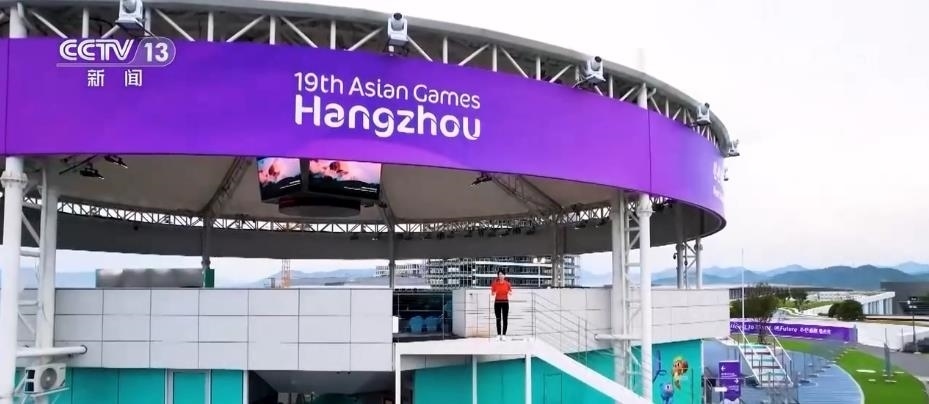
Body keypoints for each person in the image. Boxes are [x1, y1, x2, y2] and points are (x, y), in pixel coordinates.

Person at [490, 270, 512, 340]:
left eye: (502, 274)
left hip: (505, 302)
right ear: (498, 276)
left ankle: (504, 335)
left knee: (505, 319)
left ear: (504, 276)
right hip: (497, 302)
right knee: (498, 319)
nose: (501, 276)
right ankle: (499, 334)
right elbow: (492, 293)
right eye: (499, 274)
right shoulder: (494, 284)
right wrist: (495, 292)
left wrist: (508, 292)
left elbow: (511, 293)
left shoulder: (508, 284)